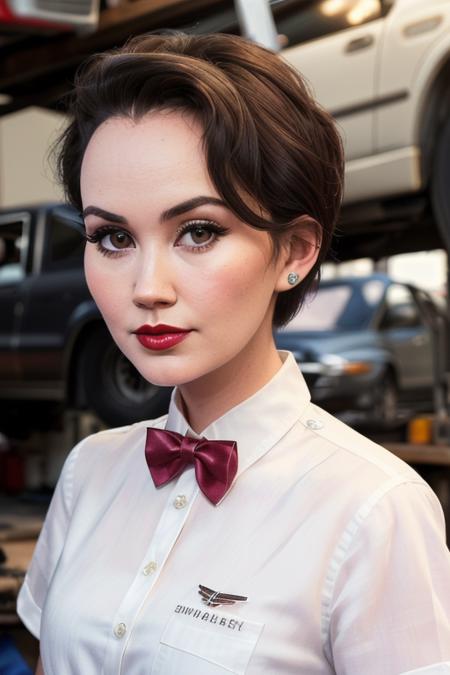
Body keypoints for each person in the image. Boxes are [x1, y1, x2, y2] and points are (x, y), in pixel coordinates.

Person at [17, 31, 450, 675]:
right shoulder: (90, 473)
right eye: (111, 238)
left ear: (296, 252)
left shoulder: (373, 508)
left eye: (198, 231)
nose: (147, 289)